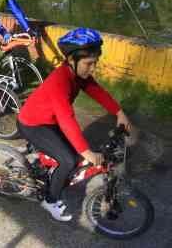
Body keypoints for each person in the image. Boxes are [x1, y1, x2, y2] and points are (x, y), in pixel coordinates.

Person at [17, 28, 133, 222]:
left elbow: (97, 91)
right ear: (72, 60)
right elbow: (66, 118)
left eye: (95, 63)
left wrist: (119, 113)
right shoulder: (60, 81)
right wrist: (86, 152)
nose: (93, 68)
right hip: (33, 124)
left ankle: (48, 169)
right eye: (89, 63)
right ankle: (50, 200)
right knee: (69, 160)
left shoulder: (78, 75)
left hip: (48, 120)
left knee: (72, 151)